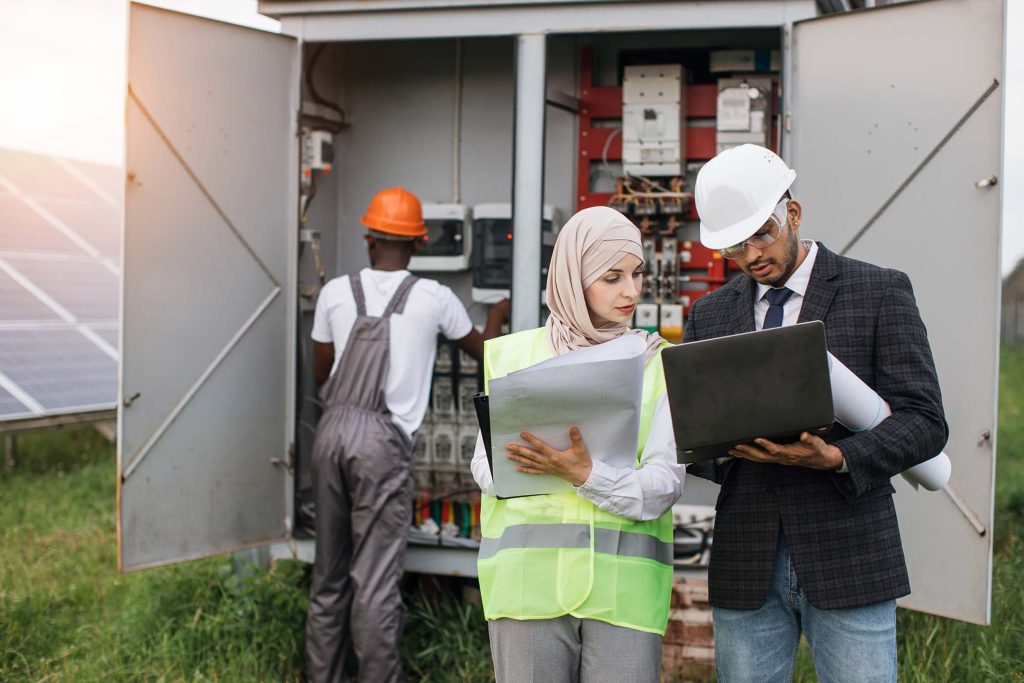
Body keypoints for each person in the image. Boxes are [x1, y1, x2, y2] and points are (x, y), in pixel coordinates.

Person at [685, 144, 947, 682]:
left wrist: (836, 457)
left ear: (794, 214)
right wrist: (728, 446)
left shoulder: (878, 291)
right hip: (747, 558)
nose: (752, 254)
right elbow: (697, 445)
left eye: (763, 233)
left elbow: (925, 421)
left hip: (849, 551)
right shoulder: (709, 315)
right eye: (735, 246)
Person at [470, 206, 684, 683]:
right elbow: (484, 467)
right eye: (612, 277)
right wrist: (538, 458)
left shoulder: (656, 365)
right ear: (572, 276)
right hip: (526, 588)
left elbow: (666, 482)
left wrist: (585, 475)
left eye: (637, 274)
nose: (631, 291)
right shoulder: (514, 356)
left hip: (623, 595)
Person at [305, 187, 509, 683]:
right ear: (418, 244)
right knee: (373, 581)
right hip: (381, 443)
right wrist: (499, 314)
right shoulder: (434, 298)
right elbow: (485, 354)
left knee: (328, 577)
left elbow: (320, 372)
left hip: (330, 433)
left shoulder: (335, 293)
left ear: (369, 237)